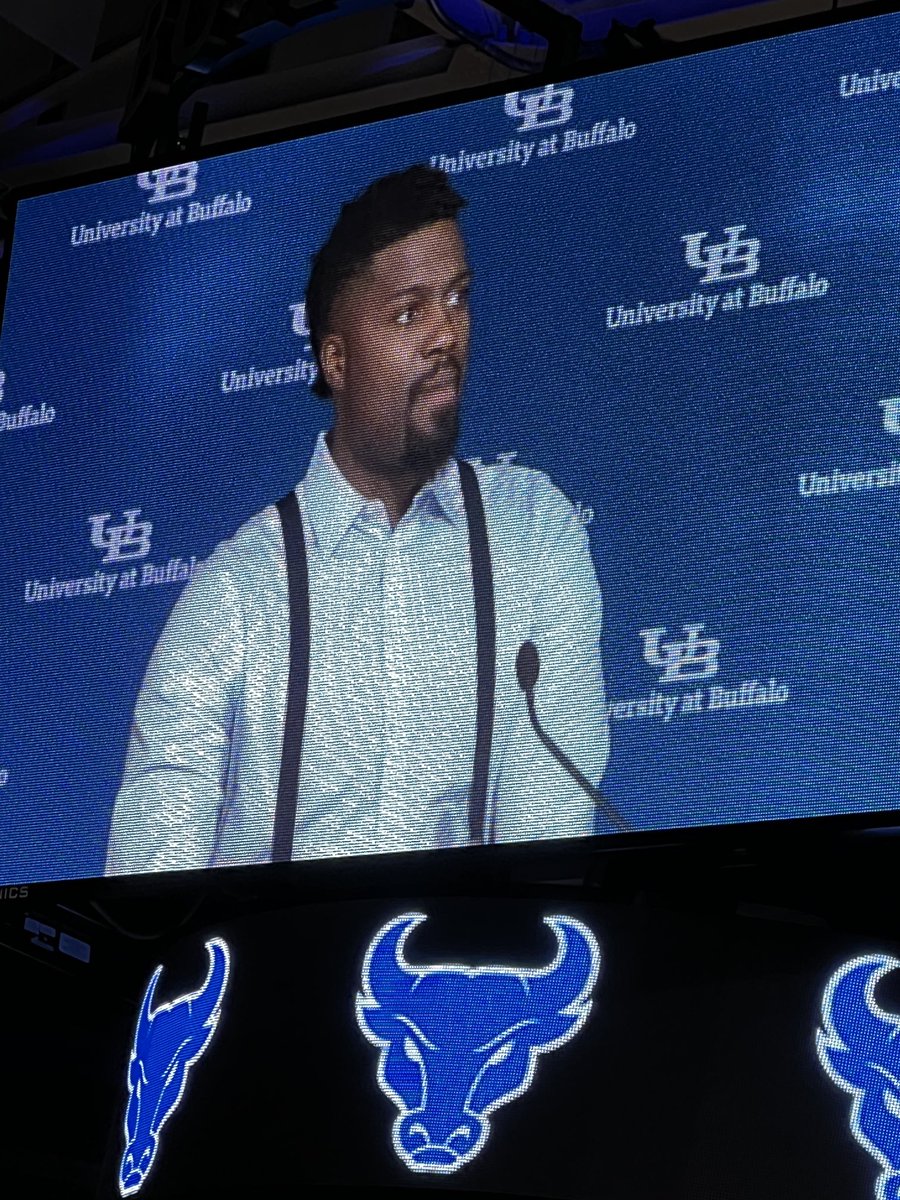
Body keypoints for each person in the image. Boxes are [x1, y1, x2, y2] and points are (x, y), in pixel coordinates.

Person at [105, 164, 610, 876]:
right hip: (274, 973)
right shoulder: (234, 593)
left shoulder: (534, 531)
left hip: (467, 968)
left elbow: (549, 822)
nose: (446, 335)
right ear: (335, 358)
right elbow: (151, 870)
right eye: (409, 313)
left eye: (458, 298)